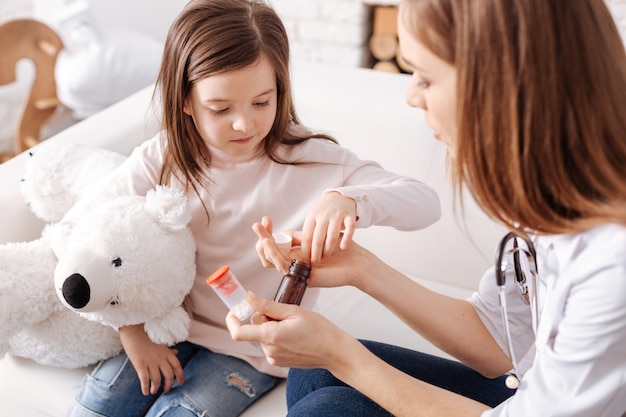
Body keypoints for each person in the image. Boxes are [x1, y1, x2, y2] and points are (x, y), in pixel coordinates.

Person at [226, 0, 626, 415]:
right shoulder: (555, 197)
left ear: (500, 85)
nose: (411, 97)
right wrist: (363, 268)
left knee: (327, 403)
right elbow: (500, 342)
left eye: (426, 78)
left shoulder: (611, 262)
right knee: (315, 376)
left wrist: (338, 352)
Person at [64, 0, 441, 416]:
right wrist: (131, 331)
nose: (244, 124)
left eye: (262, 102)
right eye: (221, 109)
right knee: (95, 406)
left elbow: (426, 204)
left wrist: (350, 200)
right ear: (185, 100)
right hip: (169, 328)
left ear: (281, 88)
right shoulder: (164, 156)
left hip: (252, 350)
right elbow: (81, 232)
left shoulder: (313, 160)